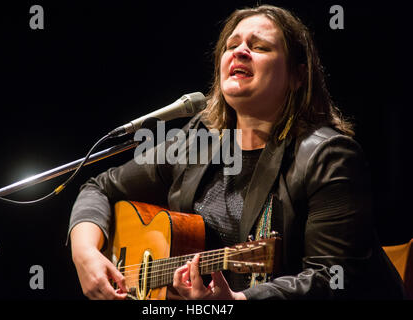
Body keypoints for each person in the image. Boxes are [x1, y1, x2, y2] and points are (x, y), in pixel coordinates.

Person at [68, 4, 405, 300]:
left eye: (259, 47)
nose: (239, 52)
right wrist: (85, 253)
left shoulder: (328, 156)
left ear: (298, 75)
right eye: (231, 45)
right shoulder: (199, 139)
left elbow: (334, 278)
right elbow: (98, 187)